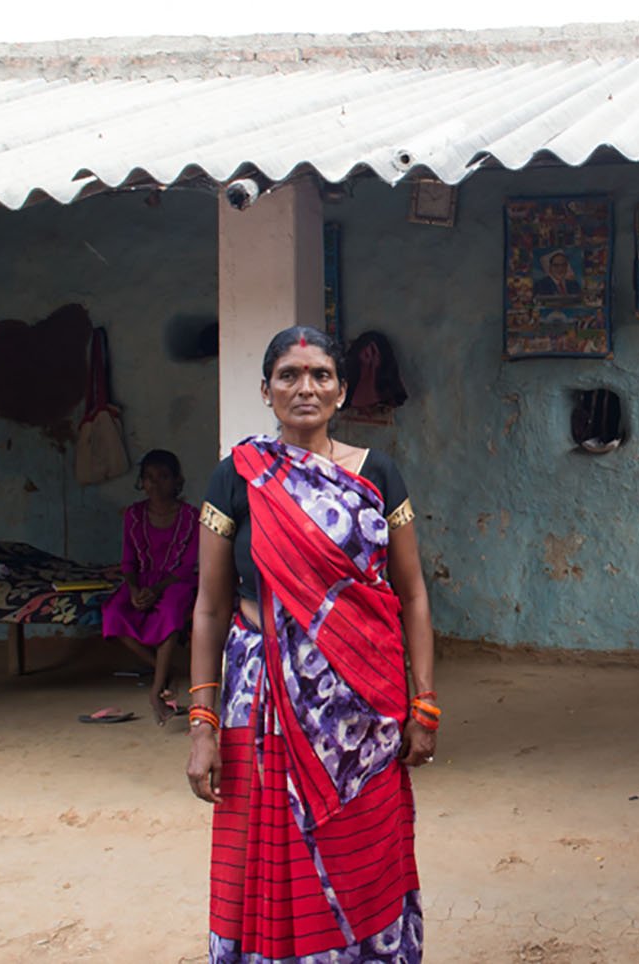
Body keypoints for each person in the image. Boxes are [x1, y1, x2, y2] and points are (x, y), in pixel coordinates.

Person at [186, 325, 436, 963]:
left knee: (364, 853)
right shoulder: (237, 478)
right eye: (289, 375)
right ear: (265, 390)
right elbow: (211, 607)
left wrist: (424, 703)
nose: (306, 387)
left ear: (343, 390)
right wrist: (202, 725)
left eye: (321, 374)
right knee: (270, 853)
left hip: (363, 707)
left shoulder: (377, 473)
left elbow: (411, 595)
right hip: (263, 700)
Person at [100, 449, 200, 724]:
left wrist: (156, 590)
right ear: (141, 482)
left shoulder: (191, 516)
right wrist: (133, 589)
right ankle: (163, 670)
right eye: (149, 478)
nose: (156, 484)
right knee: (113, 612)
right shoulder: (133, 515)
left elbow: (185, 566)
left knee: (171, 611)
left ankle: (156, 691)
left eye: (164, 477)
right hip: (142, 581)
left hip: (176, 581)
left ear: (177, 481)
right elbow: (128, 561)